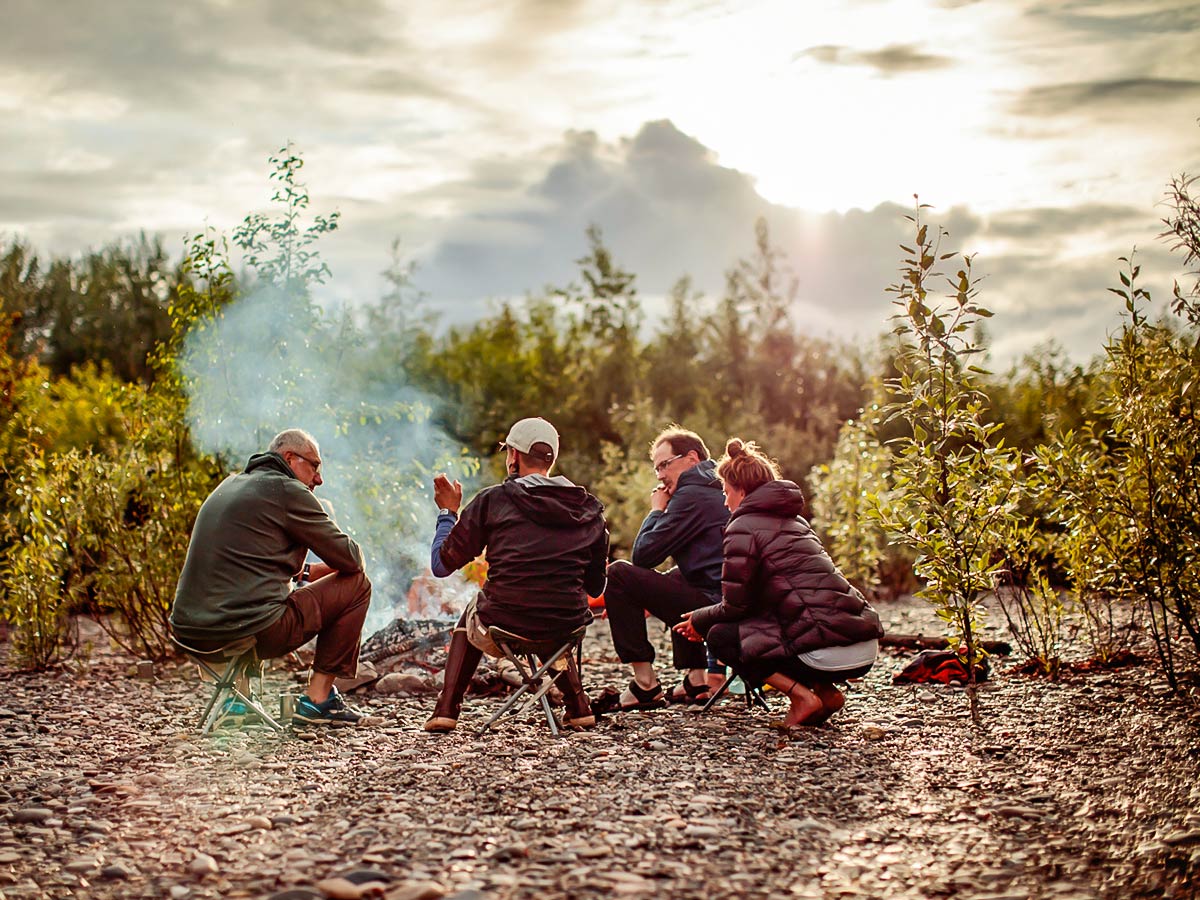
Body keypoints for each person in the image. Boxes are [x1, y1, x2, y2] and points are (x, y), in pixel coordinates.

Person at [676, 438, 883, 728]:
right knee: (787, 624)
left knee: (722, 636)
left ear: (743, 491)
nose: (725, 501)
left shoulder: (742, 526)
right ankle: (826, 694)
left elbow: (736, 606)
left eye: (726, 492)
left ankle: (801, 698)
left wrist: (700, 620)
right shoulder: (796, 522)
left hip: (826, 651)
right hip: (861, 644)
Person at [171, 428, 372, 726]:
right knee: (358, 585)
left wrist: (305, 572)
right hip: (248, 630)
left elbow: (249, 563)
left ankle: (236, 701)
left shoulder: (230, 485)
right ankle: (319, 701)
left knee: (253, 599)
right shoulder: (288, 491)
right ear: (290, 458)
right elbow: (352, 560)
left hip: (189, 632)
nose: (319, 479)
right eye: (314, 466)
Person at [424, 416, 608, 733]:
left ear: (514, 455)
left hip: (505, 623)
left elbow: (441, 566)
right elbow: (595, 587)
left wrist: (448, 514)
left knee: (472, 609)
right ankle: (578, 705)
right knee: (553, 606)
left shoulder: (492, 501)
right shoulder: (589, 509)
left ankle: (447, 708)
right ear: (551, 458)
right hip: (566, 627)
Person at [601, 426, 729, 711]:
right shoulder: (717, 487)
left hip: (715, 607)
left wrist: (656, 510)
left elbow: (643, 555)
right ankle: (696, 679)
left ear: (692, 459)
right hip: (728, 599)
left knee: (619, 575)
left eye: (664, 465)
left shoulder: (691, 494)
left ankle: (645, 684)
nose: (659, 475)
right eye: (656, 468)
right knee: (678, 576)